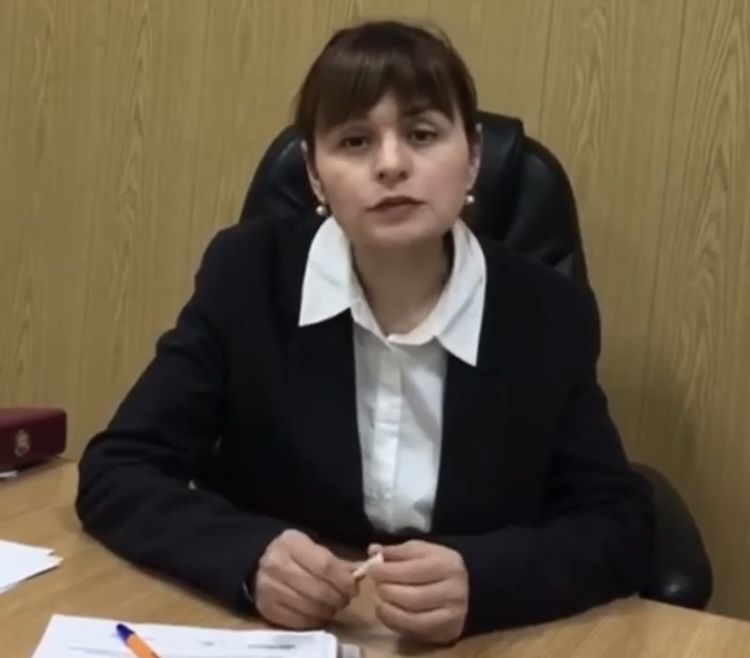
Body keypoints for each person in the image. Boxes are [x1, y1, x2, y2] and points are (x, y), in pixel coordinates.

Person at [76, 19, 654, 644]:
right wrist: (249, 556)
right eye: (355, 141)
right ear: (314, 175)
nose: (391, 165)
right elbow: (119, 468)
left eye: (422, 134)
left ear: (473, 158)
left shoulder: (546, 313)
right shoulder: (247, 277)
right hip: (282, 639)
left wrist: (487, 582)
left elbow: (617, 523)